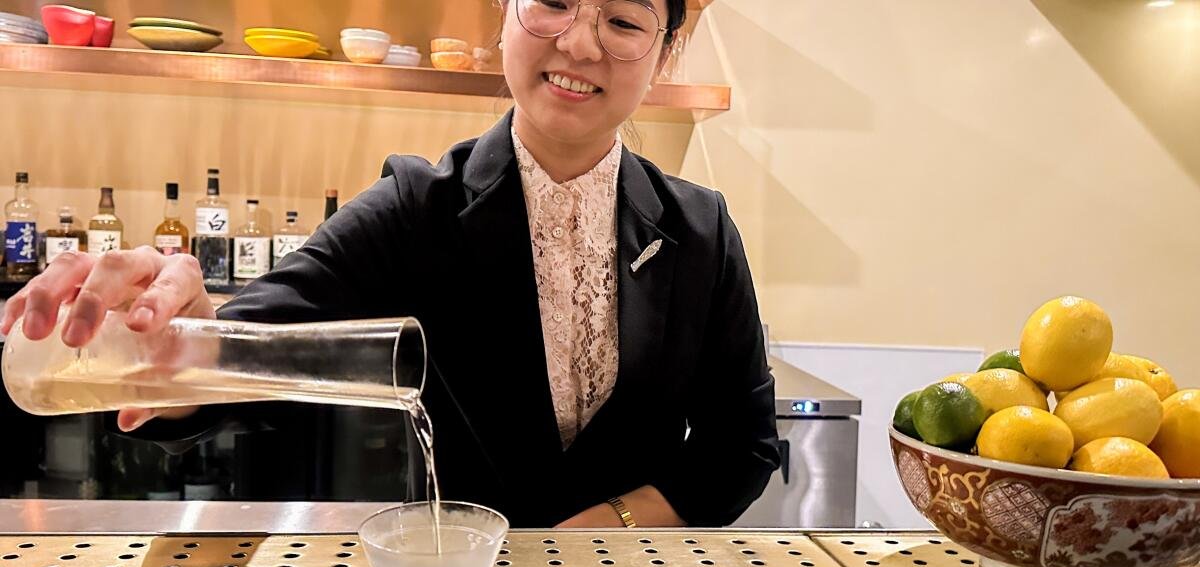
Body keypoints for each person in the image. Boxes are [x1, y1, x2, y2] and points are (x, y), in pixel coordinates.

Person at [1, 0, 779, 528]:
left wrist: (605, 527)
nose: (579, 43)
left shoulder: (700, 229)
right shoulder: (416, 207)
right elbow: (252, 348)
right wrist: (174, 335)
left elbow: (742, 447)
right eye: (553, 1)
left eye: (623, 20)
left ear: (665, 51)